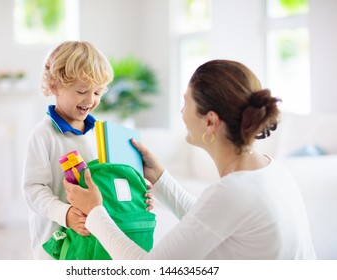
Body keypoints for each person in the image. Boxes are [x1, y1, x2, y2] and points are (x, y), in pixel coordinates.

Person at [63, 59, 317, 259]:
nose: (181, 113)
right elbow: (208, 222)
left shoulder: (232, 191)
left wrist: (94, 211)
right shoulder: (271, 171)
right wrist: (160, 178)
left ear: (210, 121)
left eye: (186, 104)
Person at [22, 41, 114, 259]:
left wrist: (136, 195)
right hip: (55, 247)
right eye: (82, 91)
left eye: (98, 92)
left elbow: (108, 180)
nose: (90, 100)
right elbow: (33, 189)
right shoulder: (43, 135)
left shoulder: (99, 133)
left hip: (93, 242)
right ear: (54, 86)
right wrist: (65, 214)